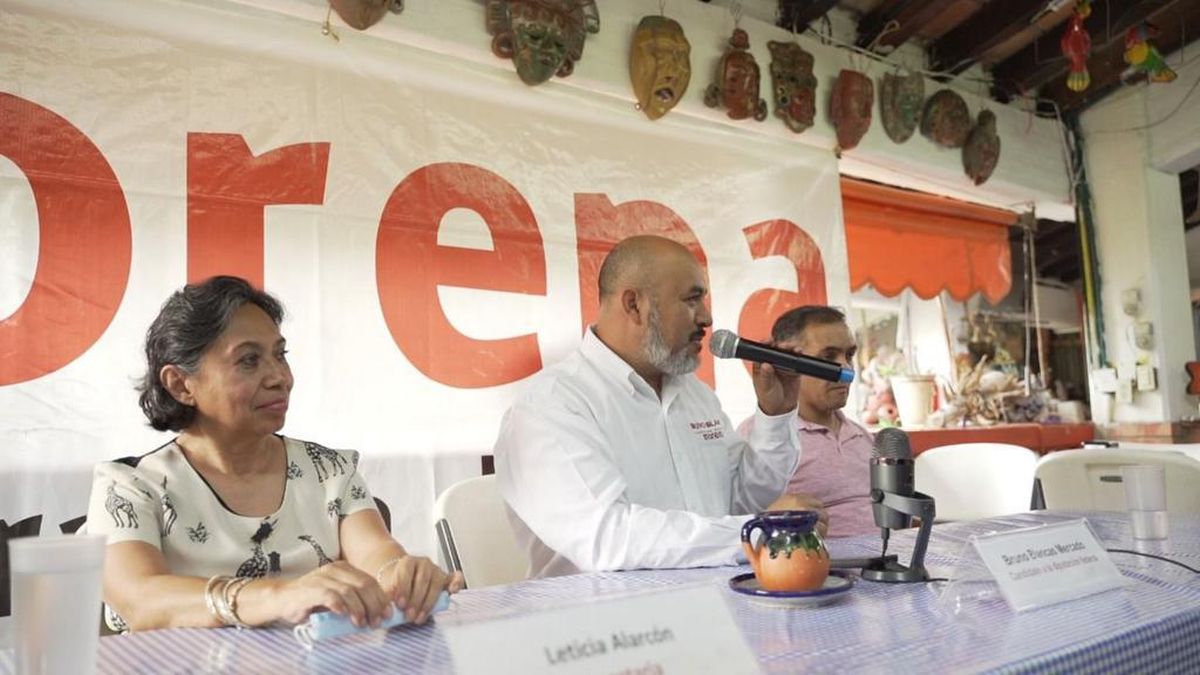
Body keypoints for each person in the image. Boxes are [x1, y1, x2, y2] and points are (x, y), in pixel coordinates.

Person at [86, 276, 462, 631]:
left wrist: (402, 577)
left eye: (280, 355)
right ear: (181, 384)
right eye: (248, 360)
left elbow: (378, 555)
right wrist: (277, 596)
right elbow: (139, 599)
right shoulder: (130, 488)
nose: (279, 377)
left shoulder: (329, 471)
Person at [494, 235, 810, 578]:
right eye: (692, 299)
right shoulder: (552, 404)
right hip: (602, 610)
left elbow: (740, 503)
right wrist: (756, 532)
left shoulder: (695, 395)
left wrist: (775, 415)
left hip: (712, 597)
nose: (706, 318)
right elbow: (607, 537)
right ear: (634, 305)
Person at [738, 306, 877, 538]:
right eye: (828, 357)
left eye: (849, 355)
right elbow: (741, 523)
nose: (846, 368)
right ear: (788, 362)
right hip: (818, 560)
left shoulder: (863, 437)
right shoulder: (759, 438)